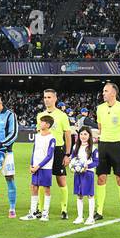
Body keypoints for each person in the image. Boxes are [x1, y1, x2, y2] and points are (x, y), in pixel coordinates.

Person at [94, 82, 120, 222]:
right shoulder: (99, 108)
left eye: (106, 91)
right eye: (103, 91)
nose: (103, 93)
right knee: (101, 178)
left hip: (117, 145)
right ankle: (98, 211)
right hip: (103, 145)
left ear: (113, 93)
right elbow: (100, 127)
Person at [37, 89, 73, 219]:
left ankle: (64, 209)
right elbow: (38, 135)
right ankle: (40, 209)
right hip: (44, 151)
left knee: (61, 180)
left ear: (55, 99)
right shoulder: (40, 115)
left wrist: (68, 154)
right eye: (45, 97)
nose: (46, 99)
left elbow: (68, 136)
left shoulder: (62, 115)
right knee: (42, 181)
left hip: (58, 150)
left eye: (49, 97)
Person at [26, 114, 57, 221]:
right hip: (35, 166)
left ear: (47, 125)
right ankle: (33, 212)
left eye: (42, 122)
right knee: (34, 187)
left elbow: (49, 155)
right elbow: (34, 150)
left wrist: (38, 166)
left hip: (45, 167)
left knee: (46, 189)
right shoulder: (37, 136)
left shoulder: (52, 138)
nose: (40, 123)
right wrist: (31, 164)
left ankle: (45, 213)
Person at [70, 126, 98, 224]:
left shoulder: (93, 148)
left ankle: (91, 218)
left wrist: (87, 166)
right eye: (81, 134)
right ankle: (80, 217)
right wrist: (72, 166)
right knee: (79, 195)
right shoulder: (75, 147)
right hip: (78, 173)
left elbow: (96, 162)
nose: (83, 136)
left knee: (90, 195)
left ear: (89, 135)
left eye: (85, 134)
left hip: (88, 173)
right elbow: (72, 159)